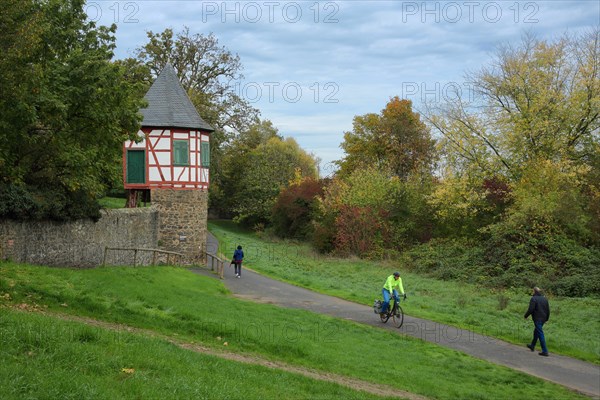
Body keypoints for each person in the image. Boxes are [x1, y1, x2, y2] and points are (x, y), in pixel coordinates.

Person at [524, 286, 550, 356]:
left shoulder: (533, 299)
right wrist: (547, 319)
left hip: (537, 318)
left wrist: (526, 316)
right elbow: (548, 310)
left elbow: (531, 309)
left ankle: (545, 350)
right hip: (543, 318)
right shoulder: (545, 299)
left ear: (534, 291)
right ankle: (532, 346)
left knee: (540, 333)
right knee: (536, 332)